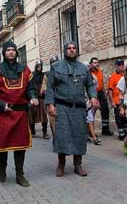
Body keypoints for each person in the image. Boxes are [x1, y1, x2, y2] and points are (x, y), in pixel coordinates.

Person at [0, 40, 38, 187]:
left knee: (20, 145)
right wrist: (2, 105)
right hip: (4, 113)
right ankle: (2, 167)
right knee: (3, 144)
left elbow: (30, 89)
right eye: (8, 50)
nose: (10, 52)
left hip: (21, 113)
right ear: (4, 53)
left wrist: (33, 97)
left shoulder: (25, 70)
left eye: (13, 50)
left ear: (16, 52)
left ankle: (19, 174)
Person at [45, 42, 98, 177]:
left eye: (74, 48)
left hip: (79, 108)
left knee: (79, 136)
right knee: (62, 136)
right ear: (65, 50)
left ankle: (77, 165)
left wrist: (93, 96)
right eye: (69, 48)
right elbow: (50, 87)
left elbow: (90, 85)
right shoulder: (56, 67)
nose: (72, 50)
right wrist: (50, 104)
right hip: (62, 107)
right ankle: (61, 164)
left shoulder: (84, 68)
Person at [89, 57, 112, 136]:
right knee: (92, 112)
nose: (97, 64)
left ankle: (105, 129)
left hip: (101, 93)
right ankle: (91, 131)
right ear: (91, 64)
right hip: (93, 93)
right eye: (95, 63)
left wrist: (104, 93)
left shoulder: (100, 71)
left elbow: (101, 82)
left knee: (105, 110)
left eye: (97, 62)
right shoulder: (89, 73)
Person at [108, 59, 127, 141]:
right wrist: (112, 101)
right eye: (119, 65)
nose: (121, 67)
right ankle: (121, 135)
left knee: (126, 118)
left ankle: (126, 133)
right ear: (116, 66)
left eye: (122, 65)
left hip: (126, 102)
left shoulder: (126, 75)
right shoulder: (113, 76)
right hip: (117, 102)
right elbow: (110, 90)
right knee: (119, 119)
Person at [29, 60, 50, 139]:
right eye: (38, 66)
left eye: (40, 66)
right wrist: (32, 96)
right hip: (34, 97)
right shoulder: (32, 75)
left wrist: (43, 91)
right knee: (32, 116)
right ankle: (32, 132)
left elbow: (45, 85)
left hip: (42, 98)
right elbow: (30, 86)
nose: (39, 68)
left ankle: (45, 133)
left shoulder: (43, 75)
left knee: (44, 116)